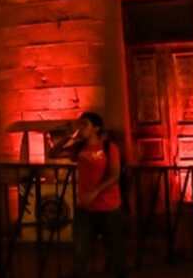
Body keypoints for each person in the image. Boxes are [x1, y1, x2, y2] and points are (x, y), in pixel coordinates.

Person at [66, 112, 125, 278]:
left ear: (96, 128)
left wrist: (96, 191)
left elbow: (114, 174)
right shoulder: (78, 148)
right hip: (86, 210)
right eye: (80, 124)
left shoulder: (109, 147)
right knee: (79, 254)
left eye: (84, 124)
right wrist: (68, 136)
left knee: (116, 254)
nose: (81, 127)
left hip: (109, 208)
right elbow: (53, 154)